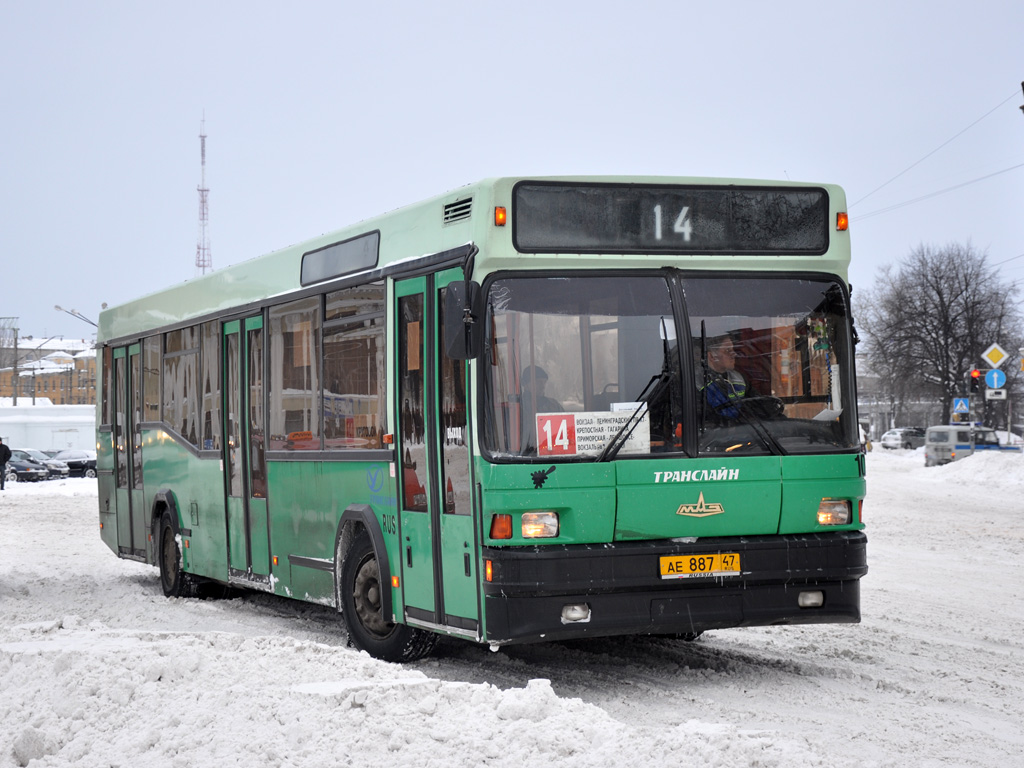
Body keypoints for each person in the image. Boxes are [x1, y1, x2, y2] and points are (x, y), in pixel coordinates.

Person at [701, 336, 749, 419]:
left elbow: (753, 407)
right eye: (728, 350)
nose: (734, 354)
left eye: (733, 350)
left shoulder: (739, 378)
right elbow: (702, 419)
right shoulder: (697, 382)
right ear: (712, 356)